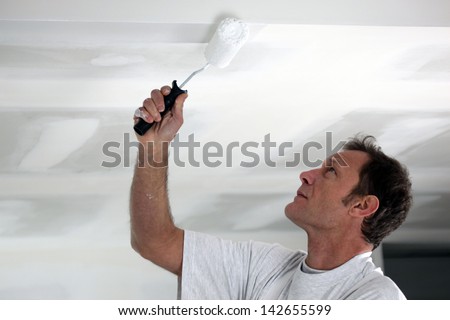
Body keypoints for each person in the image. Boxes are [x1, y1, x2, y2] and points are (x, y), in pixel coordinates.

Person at [130, 85, 412, 300]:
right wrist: (153, 147)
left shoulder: (375, 298)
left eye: (330, 172)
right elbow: (154, 242)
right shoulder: (266, 268)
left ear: (362, 206)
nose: (306, 174)